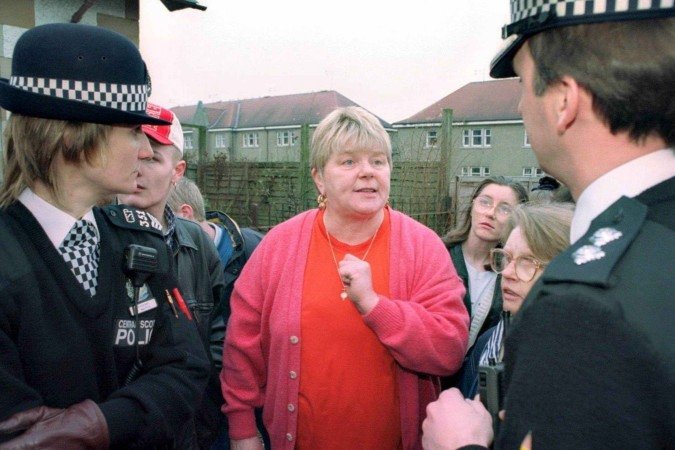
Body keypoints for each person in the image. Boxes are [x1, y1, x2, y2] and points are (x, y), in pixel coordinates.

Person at [423, 2, 674, 449]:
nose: (521, 105)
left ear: (563, 101)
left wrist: (462, 445)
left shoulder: (582, 308)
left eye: (522, 83)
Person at [0, 23, 209, 448]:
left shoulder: (141, 242)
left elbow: (187, 369)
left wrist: (100, 425)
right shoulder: (8, 256)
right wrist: (141, 410)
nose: (146, 150)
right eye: (132, 130)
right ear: (72, 136)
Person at [221, 106, 469, 450]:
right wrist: (242, 428)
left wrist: (375, 306)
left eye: (378, 161)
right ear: (319, 178)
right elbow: (242, 346)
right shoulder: (279, 245)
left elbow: (448, 350)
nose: (367, 172)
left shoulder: (423, 247)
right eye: (349, 161)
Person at [118, 104, 226, 449]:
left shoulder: (197, 243)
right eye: (130, 151)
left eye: (152, 158)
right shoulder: (89, 236)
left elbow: (219, 336)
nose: (137, 167)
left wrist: (199, 407)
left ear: (177, 171)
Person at [167, 176, 266, 448]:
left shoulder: (256, 249)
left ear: (185, 213)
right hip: (201, 403)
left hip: (252, 403)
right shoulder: (165, 257)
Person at [455, 202, 573, 399]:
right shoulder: (488, 342)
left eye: (527, 262)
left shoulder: (578, 357)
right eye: (507, 258)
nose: (507, 273)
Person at [441, 177, 528, 351]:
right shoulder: (438, 254)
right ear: (472, 206)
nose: (490, 213)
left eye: (505, 209)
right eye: (485, 202)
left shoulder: (514, 273)